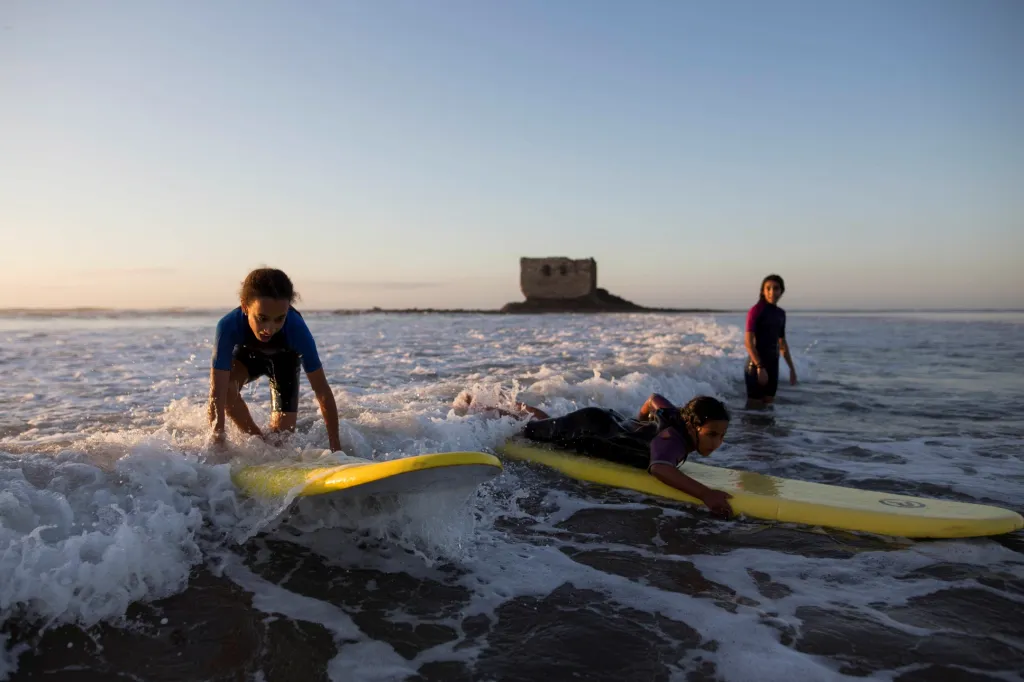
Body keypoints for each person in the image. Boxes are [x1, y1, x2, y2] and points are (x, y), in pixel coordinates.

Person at [479, 392, 733, 516]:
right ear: (691, 426)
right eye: (711, 434)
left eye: (722, 435)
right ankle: (481, 408)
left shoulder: (676, 414)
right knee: (525, 431)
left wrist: (640, 423)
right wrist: (706, 494)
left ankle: (501, 402)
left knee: (550, 424)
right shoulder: (672, 441)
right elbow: (660, 468)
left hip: (609, 421)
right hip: (590, 429)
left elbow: (653, 399)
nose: (717, 442)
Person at [207, 268, 342, 452]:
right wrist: (217, 443)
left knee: (281, 443)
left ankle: (267, 449)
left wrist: (336, 447)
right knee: (228, 390)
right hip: (247, 358)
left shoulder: (297, 329)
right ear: (245, 307)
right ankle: (257, 441)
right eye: (262, 318)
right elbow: (217, 391)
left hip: (285, 363)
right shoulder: (228, 326)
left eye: (279, 319)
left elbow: (322, 391)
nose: (269, 329)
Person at [744, 274, 797, 407]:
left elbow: (782, 343)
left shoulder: (781, 314)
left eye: (776, 288)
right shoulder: (756, 311)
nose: (772, 292)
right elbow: (748, 343)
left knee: (768, 409)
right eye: (768, 288)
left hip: (773, 366)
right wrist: (760, 366)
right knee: (753, 408)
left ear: (781, 291)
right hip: (756, 366)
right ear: (763, 291)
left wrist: (792, 369)